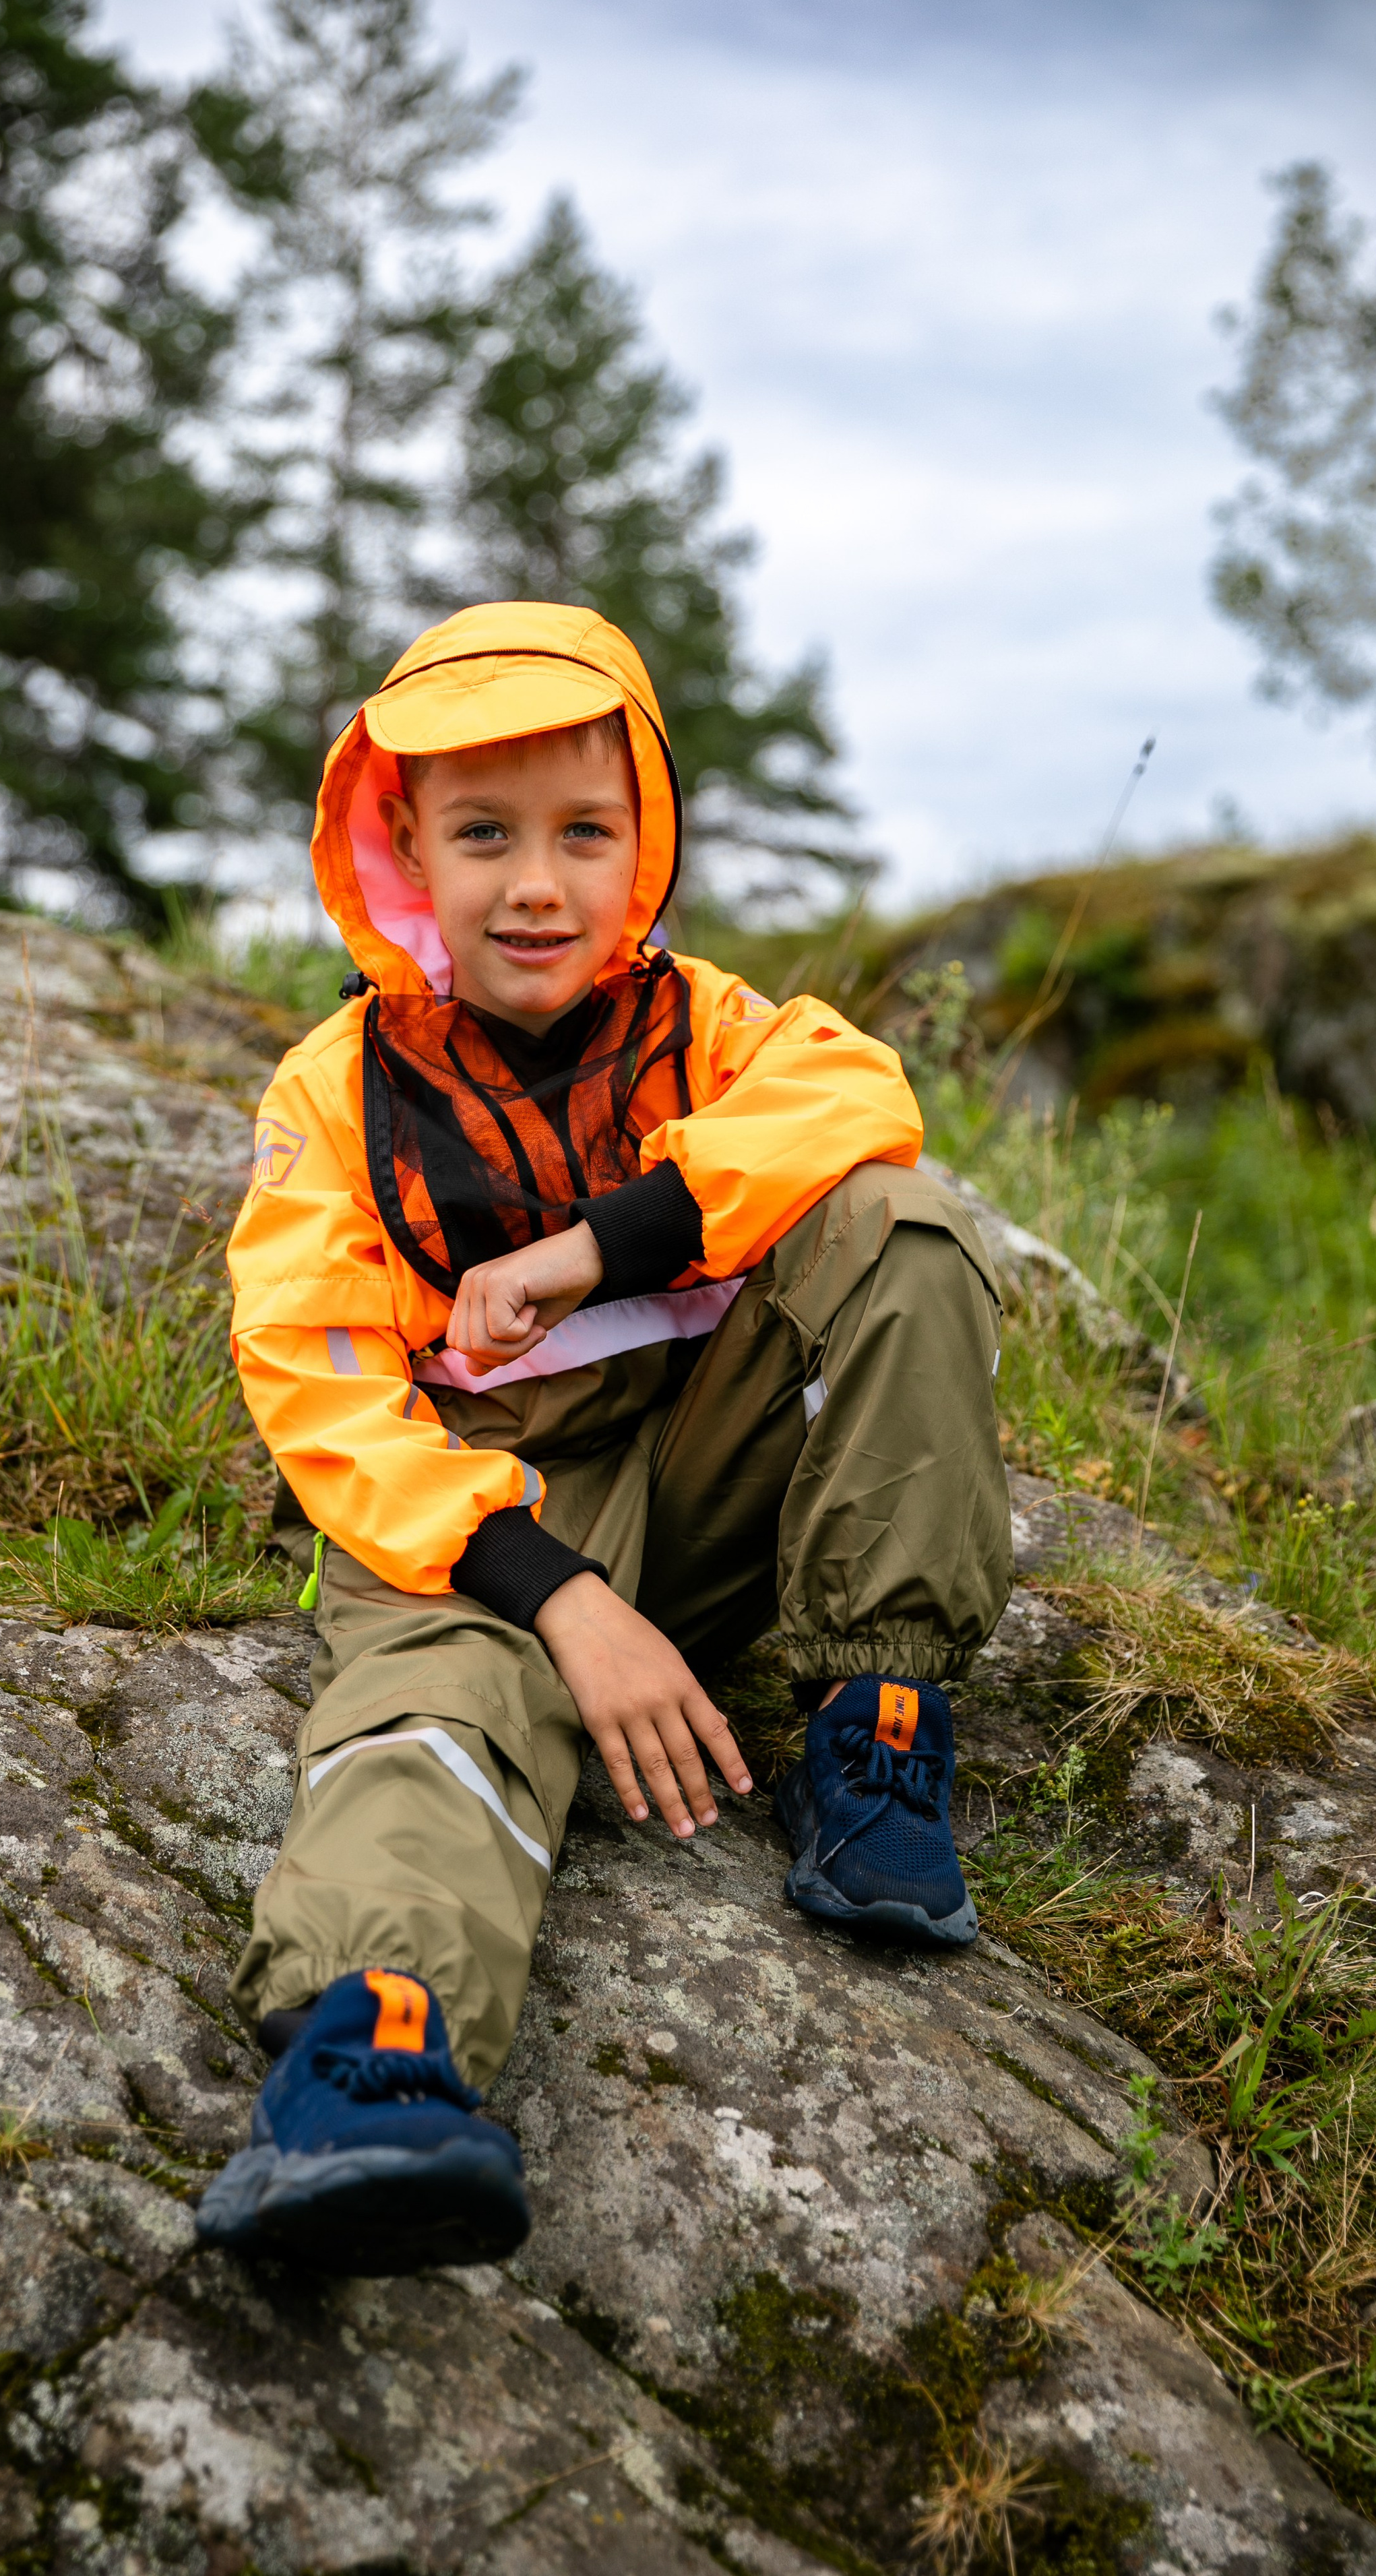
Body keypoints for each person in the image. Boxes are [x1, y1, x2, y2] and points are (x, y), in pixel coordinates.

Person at [196, 602, 1013, 2275]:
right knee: (433, 1724)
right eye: (481, 835)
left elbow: (857, 1103)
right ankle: (371, 2061)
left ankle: (877, 1725)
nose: (535, 885)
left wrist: (594, 1246)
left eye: (584, 832)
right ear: (400, 847)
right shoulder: (331, 1096)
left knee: (902, 1227)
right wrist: (561, 1599)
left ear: (644, 843)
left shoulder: (707, 1025)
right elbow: (325, 1389)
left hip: (707, 1480)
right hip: (485, 1515)